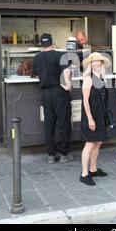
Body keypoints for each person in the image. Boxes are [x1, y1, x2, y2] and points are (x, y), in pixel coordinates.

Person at [32, 33, 73, 164]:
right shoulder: (59, 55)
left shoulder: (37, 58)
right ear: (52, 43)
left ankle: (51, 155)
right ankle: (63, 154)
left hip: (46, 93)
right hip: (60, 92)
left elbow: (36, 74)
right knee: (63, 123)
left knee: (49, 124)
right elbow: (66, 71)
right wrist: (68, 85)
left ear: (41, 44)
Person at [79, 52, 111, 186]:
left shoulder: (101, 78)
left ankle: (93, 169)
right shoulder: (88, 78)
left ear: (102, 63)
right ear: (90, 64)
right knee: (90, 143)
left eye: (99, 61)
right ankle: (84, 174)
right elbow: (85, 100)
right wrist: (90, 119)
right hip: (91, 116)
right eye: (94, 61)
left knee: (98, 142)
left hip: (100, 116)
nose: (96, 63)